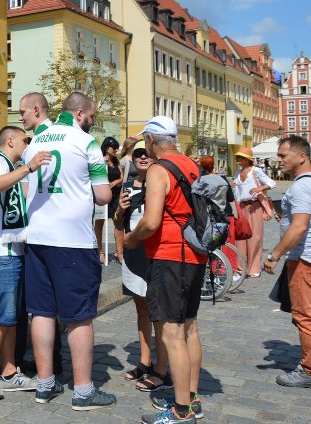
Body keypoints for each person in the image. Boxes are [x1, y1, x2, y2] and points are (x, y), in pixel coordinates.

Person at [23, 91, 115, 410]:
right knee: (79, 316)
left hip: (37, 237)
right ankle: (84, 390)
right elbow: (103, 196)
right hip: (73, 240)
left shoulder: (36, 141)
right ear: (79, 114)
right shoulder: (86, 142)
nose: (93, 121)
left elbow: (25, 188)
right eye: (92, 116)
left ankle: (45, 383)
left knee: (42, 311)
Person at [124, 116, 206, 424]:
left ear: (151, 140)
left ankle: (182, 410)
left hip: (170, 256)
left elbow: (151, 221)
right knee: (190, 328)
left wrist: (131, 239)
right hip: (195, 255)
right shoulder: (191, 165)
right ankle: (193, 397)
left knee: (172, 333)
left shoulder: (159, 170)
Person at [0, 126, 50, 399]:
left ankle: (9, 372)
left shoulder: (12, 166)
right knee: (2, 318)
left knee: (11, 319)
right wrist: (29, 167)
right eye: (25, 140)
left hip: (12, 251)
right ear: (10, 141)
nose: (28, 143)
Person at [265, 135, 311, 389]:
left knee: (305, 316)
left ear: (301, 156)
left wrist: (274, 254)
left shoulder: (300, 187)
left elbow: (300, 227)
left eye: (284, 155)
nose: (279, 160)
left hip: (307, 260)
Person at [114, 142, 172, 393]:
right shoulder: (127, 186)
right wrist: (120, 209)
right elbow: (118, 222)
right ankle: (144, 362)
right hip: (133, 252)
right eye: (137, 154)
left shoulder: (160, 182)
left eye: (146, 153)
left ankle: (162, 368)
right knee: (141, 310)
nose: (142, 157)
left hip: (156, 254)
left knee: (158, 311)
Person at [16, 92, 63, 374]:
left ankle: (47, 364)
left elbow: (27, 190)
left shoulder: (37, 144)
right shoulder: (61, 135)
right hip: (59, 229)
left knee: (42, 304)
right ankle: (54, 361)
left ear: (36, 110)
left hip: (41, 228)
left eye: (22, 112)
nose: (20, 117)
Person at [231, 147, 276, 277]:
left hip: (254, 206)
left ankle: (254, 268)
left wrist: (259, 188)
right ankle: (240, 268)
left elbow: (272, 183)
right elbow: (237, 188)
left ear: (246, 159)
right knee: (240, 237)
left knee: (254, 238)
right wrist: (233, 185)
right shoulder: (238, 173)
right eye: (237, 157)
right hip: (241, 206)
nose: (237, 160)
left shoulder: (256, 171)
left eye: (239, 158)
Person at [94, 137, 121, 264]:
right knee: (100, 223)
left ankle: (119, 251)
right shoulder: (99, 158)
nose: (115, 150)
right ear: (107, 147)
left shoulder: (116, 161)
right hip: (102, 194)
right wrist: (101, 162)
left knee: (118, 222)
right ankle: (100, 251)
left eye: (117, 147)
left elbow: (121, 177)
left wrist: (115, 182)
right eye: (113, 147)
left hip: (114, 194)